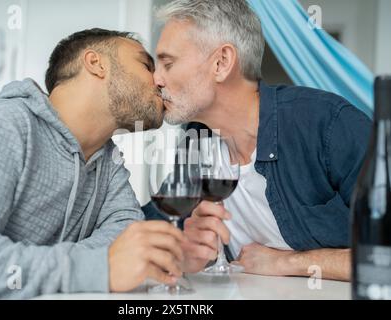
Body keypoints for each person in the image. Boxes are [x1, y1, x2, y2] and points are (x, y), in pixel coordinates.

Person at [0, 28, 184, 299]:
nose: (160, 80)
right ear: (96, 63)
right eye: (146, 65)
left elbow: (127, 240)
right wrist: (93, 267)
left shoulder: (107, 163)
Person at [145, 0, 372, 281]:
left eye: (167, 63)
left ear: (221, 63)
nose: (156, 79)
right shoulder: (196, 139)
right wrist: (184, 246)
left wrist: (289, 263)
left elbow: (383, 258)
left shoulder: (328, 125)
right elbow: (149, 225)